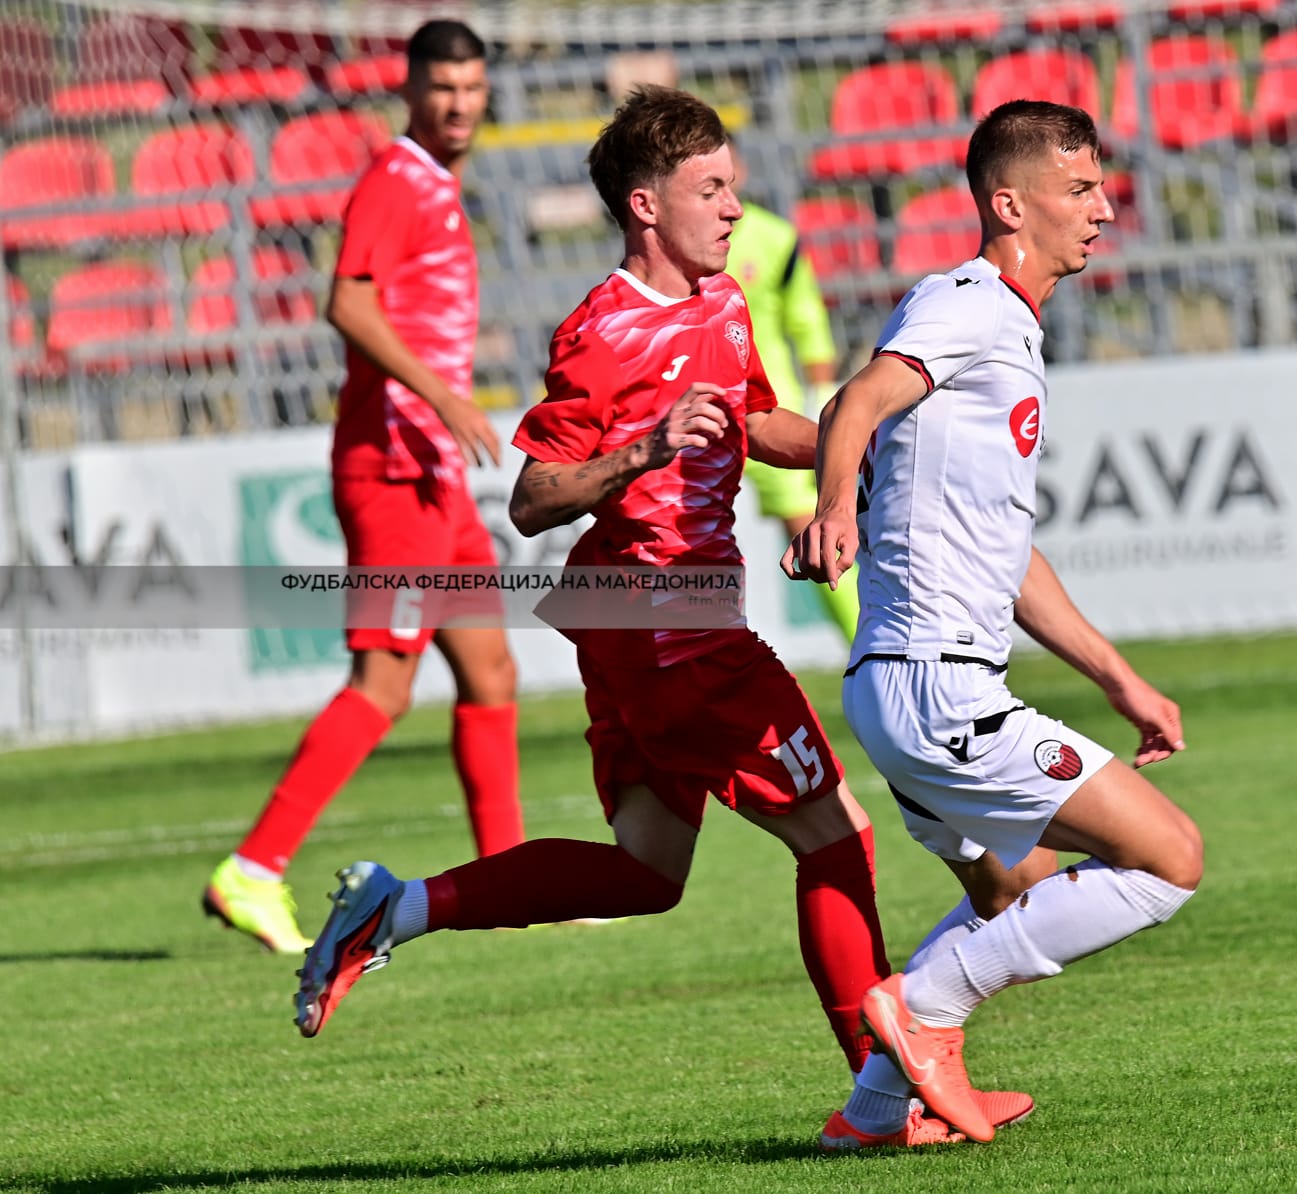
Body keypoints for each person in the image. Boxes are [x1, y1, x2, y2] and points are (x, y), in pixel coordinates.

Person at [290, 94, 1035, 1144]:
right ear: (646, 206)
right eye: (711, 189)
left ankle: (396, 907)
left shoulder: (724, 301)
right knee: (836, 838)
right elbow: (533, 497)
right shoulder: (602, 332)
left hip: (643, 626)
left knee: (646, 872)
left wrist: (865, 440)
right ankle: (882, 1102)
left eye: (733, 186)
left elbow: (754, 420)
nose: (734, 208)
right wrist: (641, 449)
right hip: (666, 622)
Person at [784, 100, 1205, 1146]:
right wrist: (833, 509)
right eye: (1080, 190)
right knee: (1168, 858)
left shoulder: (1003, 327)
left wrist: (1119, 679)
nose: (1102, 209)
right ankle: (925, 1010)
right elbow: (854, 403)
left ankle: (875, 1111)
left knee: (1015, 894)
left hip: (906, 682)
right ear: (1010, 205)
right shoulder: (968, 303)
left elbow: (1008, 553)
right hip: (938, 686)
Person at [202, 20, 523, 955]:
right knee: (384, 684)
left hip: (433, 475)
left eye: (471, 87)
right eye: (443, 87)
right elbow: (347, 300)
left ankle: (510, 880)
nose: (458, 103)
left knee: (490, 671)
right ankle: (253, 868)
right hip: (391, 468)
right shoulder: (396, 177)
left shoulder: (439, 186)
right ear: (411, 90)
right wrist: (444, 397)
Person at [723, 140, 858, 643]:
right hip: (695, 413)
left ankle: (869, 644)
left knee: (810, 531)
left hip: (768, 407)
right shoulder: (678, 244)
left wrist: (820, 390)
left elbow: (806, 319)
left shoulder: (775, 238)